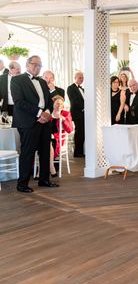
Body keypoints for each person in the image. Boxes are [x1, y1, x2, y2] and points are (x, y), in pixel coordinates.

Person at [12, 55, 58, 192]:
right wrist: (39, 114)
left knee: (45, 152)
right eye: (34, 64)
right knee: (28, 152)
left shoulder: (43, 82)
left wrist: (48, 113)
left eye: (39, 65)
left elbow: (49, 101)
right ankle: (22, 184)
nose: (37, 67)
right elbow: (19, 102)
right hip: (28, 122)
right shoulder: (17, 80)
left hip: (44, 122)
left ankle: (44, 180)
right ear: (27, 64)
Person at [49, 95, 73, 177]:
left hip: (57, 139)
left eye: (61, 104)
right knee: (45, 141)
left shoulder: (66, 114)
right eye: (57, 103)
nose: (59, 105)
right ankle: (50, 166)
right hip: (47, 137)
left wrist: (63, 119)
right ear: (53, 104)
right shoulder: (48, 113)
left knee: (47, 143)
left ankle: (45, 169)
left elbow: (70, 130)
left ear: (63, 105)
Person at [67, 71, 85, 158]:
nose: (81, 79)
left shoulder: (83, 89)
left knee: (83, 133)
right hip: (77, 113)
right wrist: (84, 108)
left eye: (82, 77)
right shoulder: (70, 88)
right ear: (75, 78)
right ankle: (77, 152)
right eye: (79, 77)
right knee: (79, 132)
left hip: (84, 114)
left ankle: (82, 151)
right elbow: (74, 101)